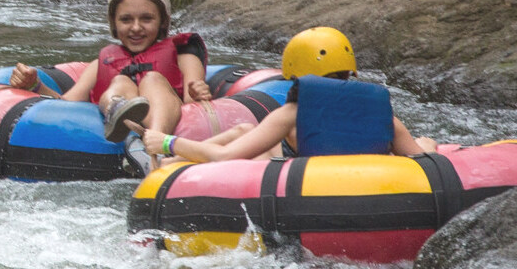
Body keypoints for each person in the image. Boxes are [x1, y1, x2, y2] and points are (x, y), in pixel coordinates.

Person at [141, 27, 438, 164]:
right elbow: (424, 161)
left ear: (293, 74)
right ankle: (172, 162)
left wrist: (166, 141)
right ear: (351, 72)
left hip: (303, 190)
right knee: (246, 129)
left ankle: (170, 160)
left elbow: (224, 156)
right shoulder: (384, 116)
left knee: (247, 138)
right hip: (365, 188)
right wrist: (430, 143)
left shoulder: (292, 115)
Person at [10, 0, 211, 145]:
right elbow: (65, 105)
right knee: (119, 82)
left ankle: (155, 143)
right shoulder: (102, 64)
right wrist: (35, 85)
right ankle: (118, 111)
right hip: (118, 112)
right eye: (126, 19)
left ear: (162, 22)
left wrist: (198, 91)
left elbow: (192, 100)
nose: (136, 27)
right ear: (114, 23)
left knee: (153, 79)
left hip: (163, 118)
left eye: (146, 19)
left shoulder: (183, 56)